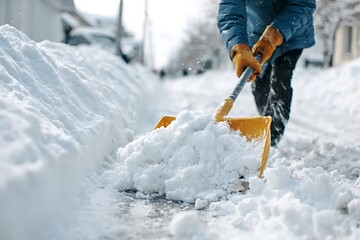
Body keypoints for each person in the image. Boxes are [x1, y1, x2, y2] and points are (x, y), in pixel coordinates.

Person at [217, 0, 316, 146]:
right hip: (256, 35)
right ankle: (265, 120)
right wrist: (238, 47)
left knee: (281, 79)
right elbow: (230, 11)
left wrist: (276, 33)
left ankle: (272, 137)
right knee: (259, 83)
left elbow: (303, 3)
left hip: (292, 33)